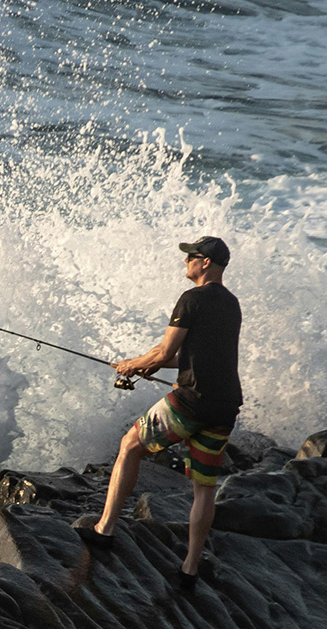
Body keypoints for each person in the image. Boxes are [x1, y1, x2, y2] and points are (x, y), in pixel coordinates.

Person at [77, 235, 242, 591]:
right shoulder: (232, 304)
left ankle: (104, 529)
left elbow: (166, 350)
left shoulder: (191, 298)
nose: (186, 263)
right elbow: (192, 357)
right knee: (204, 488)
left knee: (130, 445)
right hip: (225, 405)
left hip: (192, 402)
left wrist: (132, 364)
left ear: (206, 263)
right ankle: (190, 569)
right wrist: (150, 365)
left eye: (191, 258)